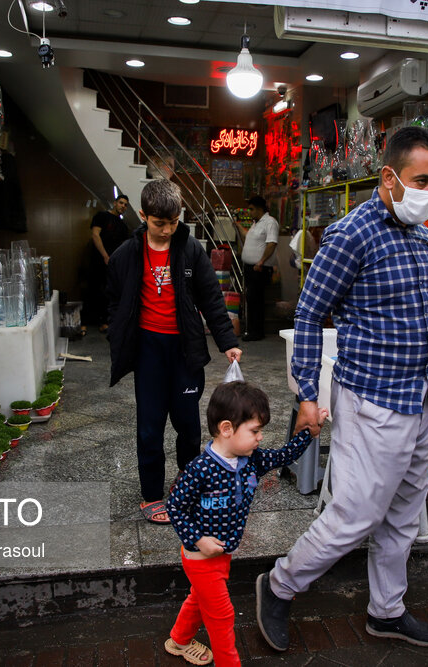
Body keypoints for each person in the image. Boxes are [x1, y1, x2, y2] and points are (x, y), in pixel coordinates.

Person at [255, 126, 428, 652]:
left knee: (404, 517)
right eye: (421, 180)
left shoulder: (423, 236)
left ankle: (386, 612)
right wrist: (306, 393)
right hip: (372, 401)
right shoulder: (351, 234)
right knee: (353, 517)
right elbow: (308, 313)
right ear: (390, 177)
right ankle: (278, 586)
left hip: (419, 401)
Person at [107, 180, 242, 525]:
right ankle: (152, 494)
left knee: (188, 424)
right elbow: (114, 300)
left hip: (184, 349)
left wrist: (227, 342)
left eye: (173, 222)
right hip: (148, 350)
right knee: (150, 426)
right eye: (159, 223)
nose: (167, 230)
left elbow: (211, 297)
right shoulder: (127, 254)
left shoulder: (190, 249)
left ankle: (187, 482)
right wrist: (118, 335)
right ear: (143, 216)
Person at [164, 381, 327, 666]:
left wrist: (310, 434)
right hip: (199, 556)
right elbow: (175, 507)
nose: (260, 438)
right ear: (226, 429)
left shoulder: (250, 460)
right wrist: (198, 539)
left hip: (222, 553)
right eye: (254, 431)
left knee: (199, 600)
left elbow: (284, 455)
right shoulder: (200, 469)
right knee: (222, 615)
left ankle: (178, 639)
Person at [84, 194, 129, 334]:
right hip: (98, 260)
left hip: (112, 264)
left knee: (108, 293)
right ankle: (83, 323)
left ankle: (104, 322)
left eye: (126, 205)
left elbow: (123, 246)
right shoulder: (102, 216)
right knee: (91, 290)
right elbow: (95, 235)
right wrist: (104, 255)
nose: (123, 206)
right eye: (121, 203)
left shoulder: (122, 226)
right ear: (115, 203)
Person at [237, 195, 279, 341]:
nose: (249, 212)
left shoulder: (270, 222)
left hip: (259, 268)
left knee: (256, 299)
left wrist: (261, 261)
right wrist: (238, 226)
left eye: (251, 209)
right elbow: (247, 237)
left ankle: (257, 332)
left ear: (260, 209)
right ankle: (252, 329)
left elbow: (272, 243)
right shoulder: (256, 223)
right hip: (251, 267)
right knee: (251, 298)